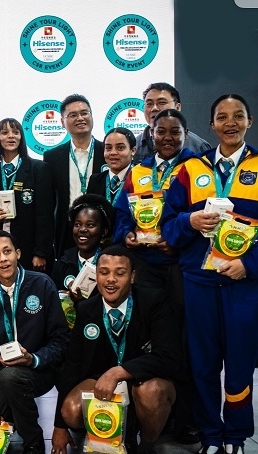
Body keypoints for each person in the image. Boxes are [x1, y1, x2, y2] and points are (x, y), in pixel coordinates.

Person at [160, 94, 257, 454]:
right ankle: (211, 436)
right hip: (198, 283)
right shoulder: (191, 169)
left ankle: (236, 436)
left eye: (238, 116)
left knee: (240, 364)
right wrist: (190, 221)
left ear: (249, 121)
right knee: (202, 365)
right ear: (212, 124)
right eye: (222, 117)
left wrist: (249, 264)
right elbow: (168, 225)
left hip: (242, 284)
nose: (230, 123)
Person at [113, 109, 199, 444]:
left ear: (185, 134)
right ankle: (146, 411)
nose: (167, 138)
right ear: (151, 133)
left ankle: (187, 418)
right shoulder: (139, 170)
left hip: (180, 264)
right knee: (145, 334)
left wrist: (175, 239)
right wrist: (126, 234)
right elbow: (122, 212)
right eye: (160, 131)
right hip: (145, 266)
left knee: (184, 341)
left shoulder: (197, 167)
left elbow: (202, 214)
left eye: (175, 132)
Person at [51, 246, 182, 454]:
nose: (110, 279)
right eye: (104, 272)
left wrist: (119, 372)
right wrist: (59, 425)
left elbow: (169, 357)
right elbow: (72, 366)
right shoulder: (86, 309)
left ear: (132, 276)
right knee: (71, 410)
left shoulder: (155, 301)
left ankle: (146, 445)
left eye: (120, 273)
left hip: (145, 380)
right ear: (96, 276)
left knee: (150, 392)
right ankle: (107, 432)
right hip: (103, 382)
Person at [0, 230, 70, 454]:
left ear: (18, 253)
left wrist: (33, 359)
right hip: (1, 376)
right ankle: (10, 413)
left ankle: (33, 442)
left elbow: (61, 340)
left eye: (7, 251)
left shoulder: (42, 284)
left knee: (10, 377)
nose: (3, 259)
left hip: (40, 369)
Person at [0, 117, 55, 274]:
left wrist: (40, 252)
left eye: (16, 132)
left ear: (21, 137)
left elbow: (45, 214)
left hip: (30, 249)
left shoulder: (39, 169)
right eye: (5, 133)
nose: (11, 136)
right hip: (1, 250)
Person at [43, 94, 106, 259]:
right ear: (62, 122)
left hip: (102, 229)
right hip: (67, 230)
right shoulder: (52, 157)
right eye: (73, 115)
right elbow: (48, 203)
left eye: (84, 113)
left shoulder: (107, 152)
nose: (80, 118)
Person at [51, 193, 114, 305]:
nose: (82, 229)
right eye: (77, 224)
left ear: (104, 231)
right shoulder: (62, 264)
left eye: (90, 225)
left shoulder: (112, 263)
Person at [132, 82, 212, 165]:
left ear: (177, 107)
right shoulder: (134, 145)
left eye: (162, 102)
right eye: (149, 104)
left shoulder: (198, 146)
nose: (154, 108)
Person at [87, 127, 135, 206]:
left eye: (120, 148)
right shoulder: (95, 180)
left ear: (133, 151)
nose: (113, 152)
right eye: (108, 148)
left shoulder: (140, 179)